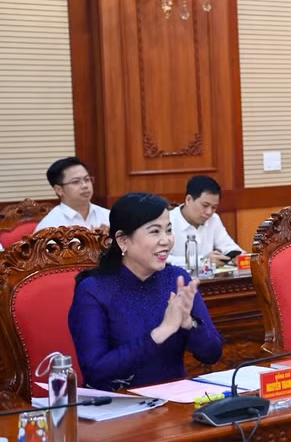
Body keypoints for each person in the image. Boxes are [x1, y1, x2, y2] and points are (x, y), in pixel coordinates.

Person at [69, 193, 223, 391]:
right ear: (123, 241)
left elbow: (213, 355)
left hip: (174, 402)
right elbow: (95, 370)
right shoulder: (94, 289)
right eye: (154, 232)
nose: (166, 240)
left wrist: (189, 324)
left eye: (168, 230)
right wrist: (160, 333)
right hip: (118, 408)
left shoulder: (177, 280)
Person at [167, 176, 243, 268]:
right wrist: (203, 261)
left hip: (209, 280)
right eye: (205, 205)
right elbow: (162, 259)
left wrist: (237, 256)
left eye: (214, 207)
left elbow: (228, 246)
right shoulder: (167, 221)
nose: (209, 212)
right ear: (189, 200)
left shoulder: (214, 219)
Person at [34, 157, 110, 233]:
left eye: (87, 179)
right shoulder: (49, 226)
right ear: (59, 190)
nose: (85, 185)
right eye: (76, 181)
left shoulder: (108, 216)